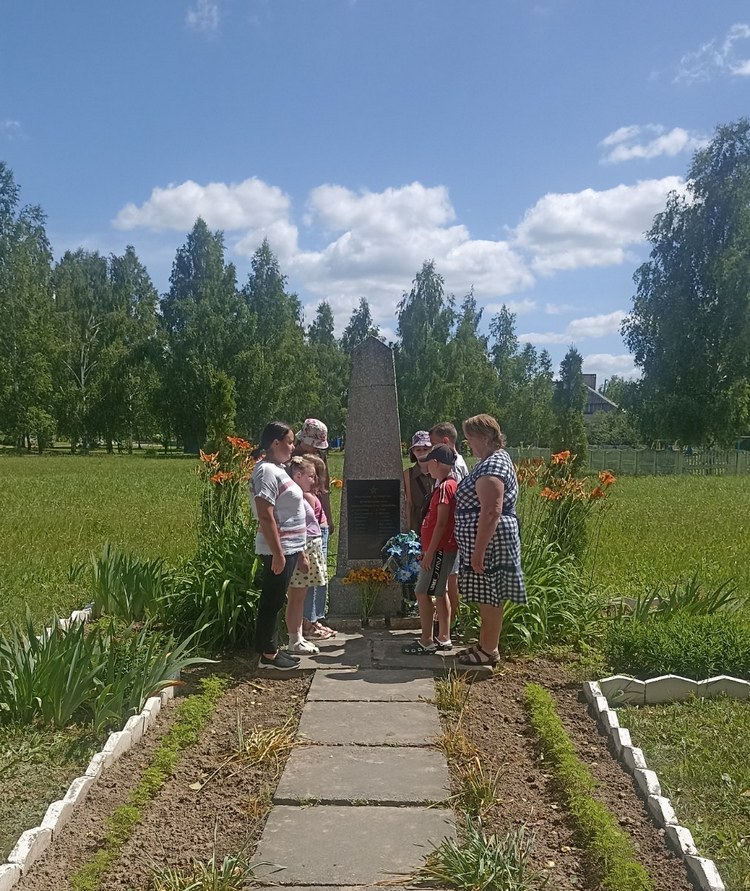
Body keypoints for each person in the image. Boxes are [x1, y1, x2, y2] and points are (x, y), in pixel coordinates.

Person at [454, 413, 526, 666]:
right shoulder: (490, 461)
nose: (468, 444)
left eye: (470, 438)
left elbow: (491, 511)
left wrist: (479, 551)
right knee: (485, 597)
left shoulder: (493, 465)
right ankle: (484, 644)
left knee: (490, 596)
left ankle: (489, 650)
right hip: (487, 542)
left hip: (490, 543)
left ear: (485, 438)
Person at [250, 421, 309, 670]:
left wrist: (300, 550)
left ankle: (272, 649)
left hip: (289, 547)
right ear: (275, 443)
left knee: (276, 598)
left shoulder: (278, 469)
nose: (293, 446)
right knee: (272, 600)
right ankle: (268, 655)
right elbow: (265, 514)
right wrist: (277, 553)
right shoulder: (266, 471)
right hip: (279, 548)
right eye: (290, 441)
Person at [402, 445, 458, 655]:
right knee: (440, 591)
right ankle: (444, 636)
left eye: (428, 463)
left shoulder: (444, 488)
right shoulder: (446, 485)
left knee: (422, 592)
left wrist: (430, 552)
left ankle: (426, 640)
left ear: (435, 463)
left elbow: (441, 523)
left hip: (440, 550)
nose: (426, 468)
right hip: (439, 549)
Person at [292, 419, 336, 635]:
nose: (317, 450)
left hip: (320, 523)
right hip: (305, 526)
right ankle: (307, 622)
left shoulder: (319, 459)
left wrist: (329, 518)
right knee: (307, 576)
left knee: (320, 574)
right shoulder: (294, 462)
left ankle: (317, 617)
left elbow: (324, 491)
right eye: (314, 445)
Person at [285, 456, 328, 654]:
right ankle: (294, 639)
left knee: (300, 598)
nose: (314, 480)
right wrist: (301, 554)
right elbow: (296, 528)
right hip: (303, 550)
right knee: (296, 597)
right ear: (298, 475)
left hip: (310, 547)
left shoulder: (300, 496)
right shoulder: (295, 498)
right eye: (310, 476)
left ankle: (299, 637)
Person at [429, 422, 469, 630]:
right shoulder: (453, 463)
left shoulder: (454, 466)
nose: (432, 449)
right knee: (449, 576)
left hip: (449, 532)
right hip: (448, 530)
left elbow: (453, 500)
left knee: (450, 577)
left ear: (445, 441)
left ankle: (450, 622)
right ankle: (448, 620)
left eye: (434, 444)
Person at [302, 453, 336, 640]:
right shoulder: (307, 496)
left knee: (320, 580)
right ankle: (308, 623)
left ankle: (315, 619)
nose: (320, 480)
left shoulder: (313, 495)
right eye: (316, 475)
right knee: (313, 582)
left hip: (321, 535)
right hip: (314, 539)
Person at [403, 430, 434, 533]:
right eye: (418, 449)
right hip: (417, 522)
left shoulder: (438, 471)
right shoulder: (408, 474)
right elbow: (409, 502)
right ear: (413, 451)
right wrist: (408, 528)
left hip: (435, 520)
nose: (422, 453)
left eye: (425, 449)